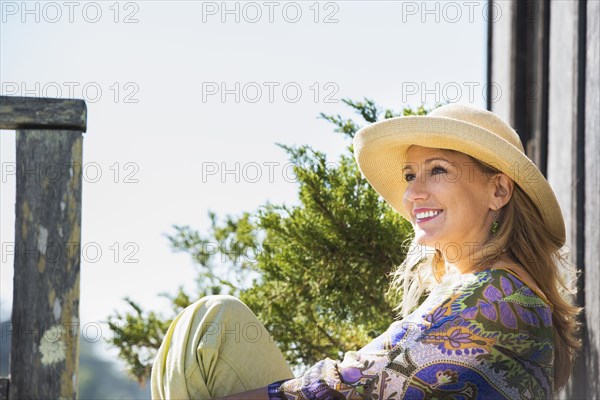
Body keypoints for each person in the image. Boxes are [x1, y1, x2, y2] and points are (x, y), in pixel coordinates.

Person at [151, 104, 581, 399]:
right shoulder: (492, 290)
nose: (413, 191)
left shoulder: (496, 297)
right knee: (215, 324)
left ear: (499, 189)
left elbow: (347, 387)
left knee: (212, 325)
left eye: (438, 170)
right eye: (410, 173)